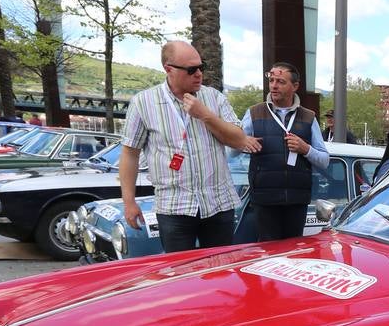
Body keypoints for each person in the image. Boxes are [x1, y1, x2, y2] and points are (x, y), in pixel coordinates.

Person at [120, 40, 257, 252]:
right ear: (169, 69)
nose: (199, 74)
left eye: (202, 67)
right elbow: (130, 154)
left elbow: (239, 140)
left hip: (218, 204)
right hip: (174, 207)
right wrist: (129, 202)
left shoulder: (214, 98)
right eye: (192, 69)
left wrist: (206, 115)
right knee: (180, 275)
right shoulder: (143, 102)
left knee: (219, 271)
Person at [240, 62, 331, 241]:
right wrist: (242, 141)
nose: (274, 85)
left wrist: (306, 149)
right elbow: (232, 151)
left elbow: (324, 161)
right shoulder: (254, 113)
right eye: (271, 80)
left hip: (296, 201)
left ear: (295, 86)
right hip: (264, 200)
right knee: (268, 252)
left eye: (281, 81)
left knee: (293, 253)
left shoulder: (308, 117)